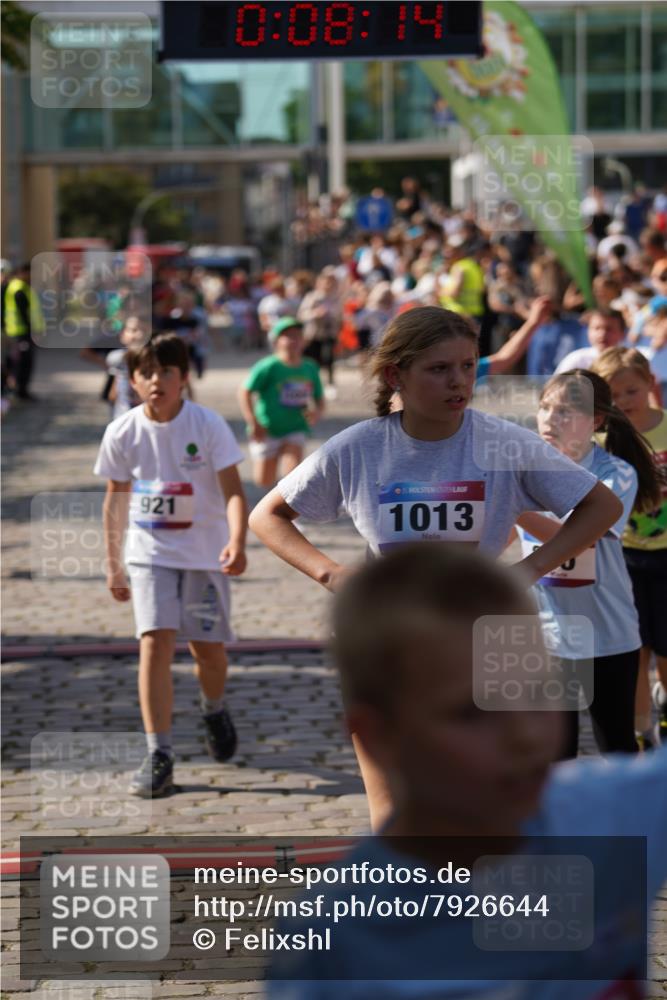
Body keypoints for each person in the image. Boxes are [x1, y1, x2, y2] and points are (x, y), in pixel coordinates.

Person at [249, 306, 623, 828]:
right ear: (395, 375)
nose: (459, 381)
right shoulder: (359, 447)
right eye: (439, 368)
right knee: (394, 811)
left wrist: (527, 569)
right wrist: (332, 574)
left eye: (468, 366)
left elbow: (602, 507)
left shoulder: (503, 443)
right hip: (387, 642)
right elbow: (267, 515)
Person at [268, 544, 667, 998]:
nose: (525, 736)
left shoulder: (609, 815)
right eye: (474, 712)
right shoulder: (337, 940)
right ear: (379, 736)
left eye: (540, 694)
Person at [93, 333, 248, 797]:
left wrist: (238, 541)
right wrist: (113, 563)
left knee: (208, 653)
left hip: (204, 555)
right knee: (154, 645)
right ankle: (158, 752)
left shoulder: (208, 425)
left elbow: (235, 492)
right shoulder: (122, 431)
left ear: (183, 378)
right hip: (149, 554)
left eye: (166, 371)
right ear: (134, 382)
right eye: (147, 373)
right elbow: (114, 501)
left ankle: (213, 707)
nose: (156, 380)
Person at [513, 369, 661, 758]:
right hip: (547, 637)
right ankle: (559, 820)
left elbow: (579, 534)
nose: (549, 418)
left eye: (564, 411)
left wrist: (514, 507)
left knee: (616, 748)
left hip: (607, 635)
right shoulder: (528, 473)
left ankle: (629, 820)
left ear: (595, 421)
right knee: (553, 752)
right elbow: (498, 537)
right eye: (545, 407)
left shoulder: (617, 474)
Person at [592, 346, 667, 748]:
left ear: (650, 385)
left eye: (631, 391)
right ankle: (642, 731)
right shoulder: (600, 443)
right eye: (613, 395)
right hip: (622, 559)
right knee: (634, 651)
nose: (623, 402)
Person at [238, 317, 324, 489]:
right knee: (263, 480)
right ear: (277, 341)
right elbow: (244, 392)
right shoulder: (268, 366)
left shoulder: (310, 367)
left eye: (297, 336)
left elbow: (319, 397)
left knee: (292, 477)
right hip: (267, 428)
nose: (293, 340)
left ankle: (284, 512)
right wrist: (253, 421)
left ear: (304, 341)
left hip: (296, 427)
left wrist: (316, 412)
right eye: (288, 336)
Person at [2, 261, 44, 401]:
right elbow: (23, 313)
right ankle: (19, 391)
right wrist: (31, 332)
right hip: (19, 332)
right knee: (21, 363)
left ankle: (19, 390)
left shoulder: (21, 287)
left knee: (20, 362)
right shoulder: (18, 288)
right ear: (24, 273)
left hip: (19, 332)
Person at [297, 267, 343, 393]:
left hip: (329, 333)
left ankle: (330, 384)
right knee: (312, 361)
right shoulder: (313, 297)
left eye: (331, 282)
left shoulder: (336, 298)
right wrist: (315, 313)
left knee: (328, 358)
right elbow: (301, 314)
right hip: (313, 334)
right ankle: (312, 384)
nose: (328, 285)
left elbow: (340, 316)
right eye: (326, 281)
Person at [103, 315, 149, 421]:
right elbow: (113, 391)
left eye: (144, 330)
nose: (139, 335)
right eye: (133, 330)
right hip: (123, 416)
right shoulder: (116, 358)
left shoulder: (153, 360)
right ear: (122, 335)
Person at [554, 308, 627, 374]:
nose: (602, 334)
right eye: (597, 328)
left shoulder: (629, 362)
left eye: (609, 329)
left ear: (622, 333)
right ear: (588, 331)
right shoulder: (577, 361)